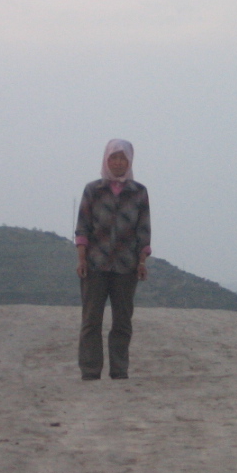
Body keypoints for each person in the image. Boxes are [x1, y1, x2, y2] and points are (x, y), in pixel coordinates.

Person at [74, 139, 151, 380]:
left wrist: (142, 261)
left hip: (126, 266)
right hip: (95, 264)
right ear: (106, 160)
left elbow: (143, 230)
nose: (118, 163)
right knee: (91, 320)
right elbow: (82, 228)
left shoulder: (139, 192)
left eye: (122, 159)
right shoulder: (93, 190)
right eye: (114, 158)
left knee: (122, 322)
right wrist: (82, 259)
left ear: (129, 162)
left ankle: (119, 370)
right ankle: (90, 371)